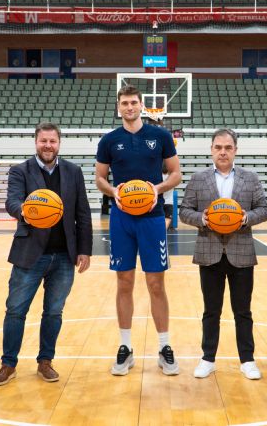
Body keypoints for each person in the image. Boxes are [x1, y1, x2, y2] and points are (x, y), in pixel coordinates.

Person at [0, 122, 93, 386]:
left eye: (52, 141)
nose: (48, 146)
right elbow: (11, 201)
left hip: (63, 256)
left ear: (59, 144)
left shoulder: (73, 171)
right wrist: (26, 210)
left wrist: (84, 250)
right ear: (35, 142)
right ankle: (8, 364)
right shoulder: (20, 171)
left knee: (54, 312)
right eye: (43, 141)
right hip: (30, 253)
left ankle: (45, 361)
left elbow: (82, 213)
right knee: (15, 311)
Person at [95, 85, 182, 376]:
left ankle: (164, 346)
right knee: (124, 282)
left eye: (133, 102)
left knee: (156, 284)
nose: (129, 107)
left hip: (153, 217)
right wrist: (113, 191)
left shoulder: (160, 136)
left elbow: (176, 173)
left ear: (141, 106)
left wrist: (156, 189)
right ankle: (125, 347)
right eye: (124, 103)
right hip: (121, 218)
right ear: (118, 107)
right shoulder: (109, 140)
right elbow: (99, 178)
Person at [179, 128, 267, 380]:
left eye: (228, 148)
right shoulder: (198, 179)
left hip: (241, 252)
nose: (223, 152)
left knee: (243, 311)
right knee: (211, 311)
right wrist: (202, 219)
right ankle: (208, 358)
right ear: (211, 150)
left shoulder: (250, 179)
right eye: (218, 147)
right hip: (209, 252)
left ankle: (247, 360)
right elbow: (184, 211)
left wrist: (245, 218)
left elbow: (264, 209)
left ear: (235, 151)